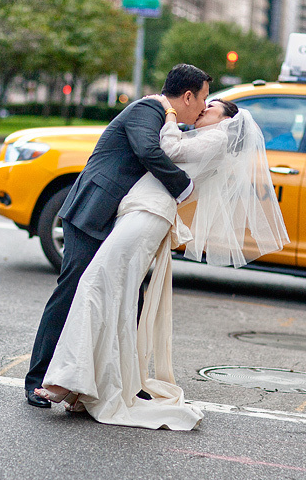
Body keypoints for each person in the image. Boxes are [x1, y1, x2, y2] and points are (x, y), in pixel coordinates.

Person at [34, 98, 290, 429]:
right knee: (116, 295)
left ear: (227, 120)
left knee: (96, 284)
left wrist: (169, 113)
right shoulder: (206, 138)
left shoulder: (218, 138)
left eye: (209, 107)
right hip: (141, 212)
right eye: (203, 102)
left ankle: (66, 382)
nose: (202, 109)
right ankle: (85, 387)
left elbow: (166, 149)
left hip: (148, 214)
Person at [25, 64, 212, 408]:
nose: (203, 107)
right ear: (188, 96)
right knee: (72, 291)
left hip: (119, 221)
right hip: (92, 214)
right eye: (203, 99)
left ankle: (125, 380)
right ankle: (37, 378)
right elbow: (147, 152)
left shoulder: (166, 119)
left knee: (132, 300)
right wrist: (184, 187)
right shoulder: (148, 109)